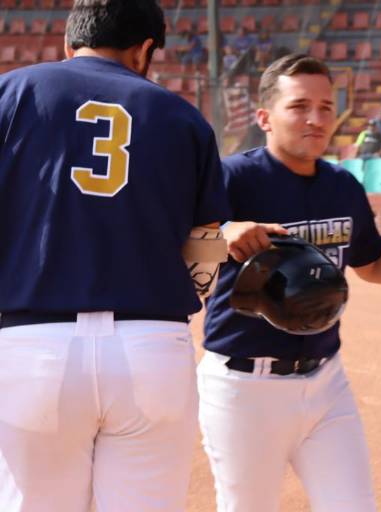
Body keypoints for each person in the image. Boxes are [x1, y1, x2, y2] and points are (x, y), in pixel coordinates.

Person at [197, 53, 381, 512]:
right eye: (299, 106)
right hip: (244, 388)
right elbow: (176, 242)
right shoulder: (233, 179)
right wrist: (222, 233)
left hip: (326, 380)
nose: (316, 119)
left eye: (327, 107)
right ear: (265, 117)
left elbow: (372, 260)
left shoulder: (342, 185)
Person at [0, 1, 231, 511]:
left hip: (34, 345)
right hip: (151, 347)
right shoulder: (185, 119)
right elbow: (208, 240)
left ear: (69, 42)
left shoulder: (13, 92)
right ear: (145, 49)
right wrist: (186, 292)